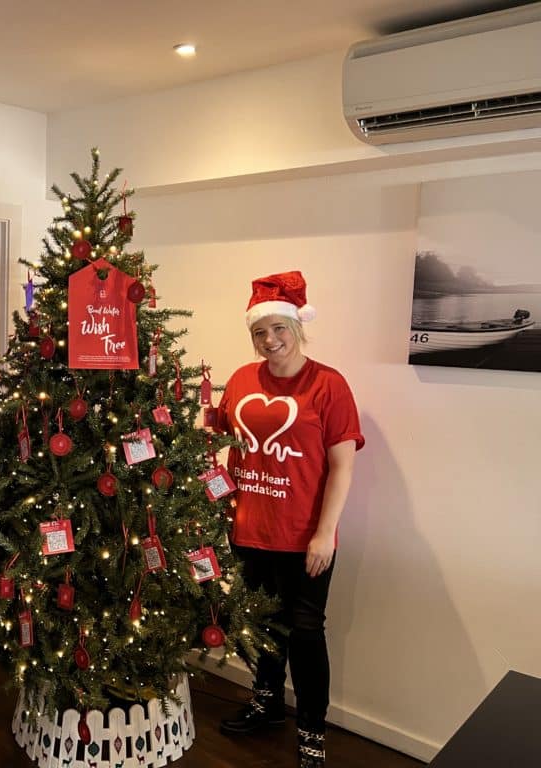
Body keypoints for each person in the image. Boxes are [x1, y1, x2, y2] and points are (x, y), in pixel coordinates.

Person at [215, 271, 363, 768]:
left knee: (304, 633)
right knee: (259, 626)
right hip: (248, 529)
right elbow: (218, 432)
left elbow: (343, 465)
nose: (269, 341)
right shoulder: (239, 380)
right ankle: (267, 700)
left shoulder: (329, 384)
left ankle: (312, 731)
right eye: (260, 332)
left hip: (304, 538)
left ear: (298, 328)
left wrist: (325, 533)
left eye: (279, 329)